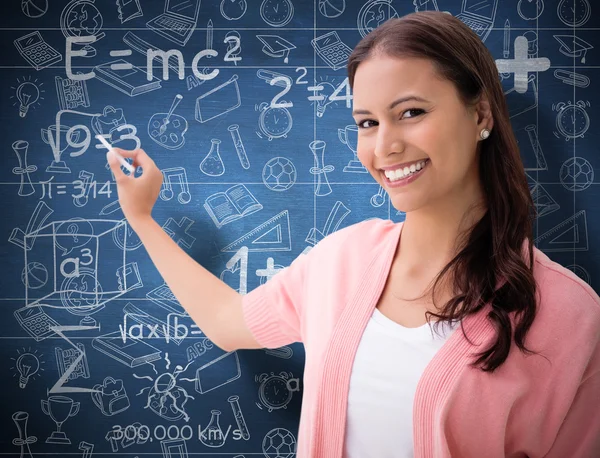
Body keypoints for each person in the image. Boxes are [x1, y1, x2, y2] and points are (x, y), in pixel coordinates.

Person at [107, 11, 600, 458]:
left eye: (411, 112)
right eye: (367, 122)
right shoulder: (340, 260)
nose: (385, 145)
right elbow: (225, 321)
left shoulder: (569, 315)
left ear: (481, 115)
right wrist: (142, 219)